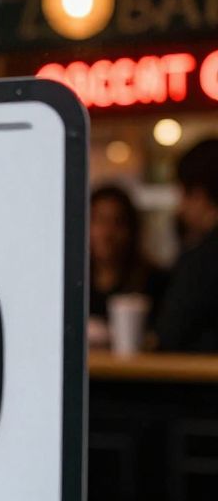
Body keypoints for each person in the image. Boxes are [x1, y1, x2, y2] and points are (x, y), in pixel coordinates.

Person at [156, 139, 218, 352]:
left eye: (183, 195)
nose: (181, 208)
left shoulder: (201, 261)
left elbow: (171, 334)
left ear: (199, 195)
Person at [87, 184, 165, 347]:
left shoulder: (155, 281)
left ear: (131, 230)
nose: (107, 233)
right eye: (99, 221)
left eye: (117, 222)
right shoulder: (72, 283)